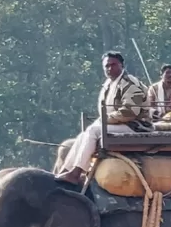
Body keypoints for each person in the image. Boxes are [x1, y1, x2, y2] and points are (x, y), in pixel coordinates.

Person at [56, 51, 151, 185]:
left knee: (93, 131)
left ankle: (77, 172)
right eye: (107, 66)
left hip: (136, 126)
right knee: (85, 133)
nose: (109, 69)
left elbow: (130, 112)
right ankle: (66, 170)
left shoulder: (130, 84)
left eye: (113, 65)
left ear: (122, 65)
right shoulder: (108, 84)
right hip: (118, 124)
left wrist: (105, 120)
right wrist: (103, 120)